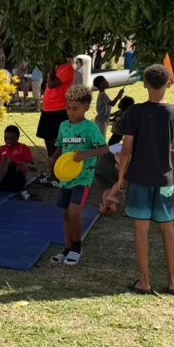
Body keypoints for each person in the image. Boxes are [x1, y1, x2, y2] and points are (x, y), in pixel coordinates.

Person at [112, 64, 174, 296]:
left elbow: (126, 149)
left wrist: (120, 177)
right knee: (168, 229)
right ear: (169, 84)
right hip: (165, 179)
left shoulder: (134, 112)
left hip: (139, 179)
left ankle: (145, 281)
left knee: (141, 230)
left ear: (144, 84)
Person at [49, 86, 109, 265]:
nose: (71, 112)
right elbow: (60, 146)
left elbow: (104, 148)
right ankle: (66, 248)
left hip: (83, 177)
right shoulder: (63, 126)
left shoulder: (90, 128)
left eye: (75, 108)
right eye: (68, 108)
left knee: (75, 211)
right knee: (66, 214)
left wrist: (85, 155)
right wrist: (53, 158)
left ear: (86, 107)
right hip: (65, 177)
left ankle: (76, 246)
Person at [36, 56, 76, 178]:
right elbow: (45, 76)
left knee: (56, 142)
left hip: (59, 109)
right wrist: (51, 67)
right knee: (48, 141)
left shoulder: (68, 68)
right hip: (48, 109)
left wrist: (53, 66)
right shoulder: (57, 68)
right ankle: (52, 173)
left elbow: (52, 84)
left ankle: (59, 173)